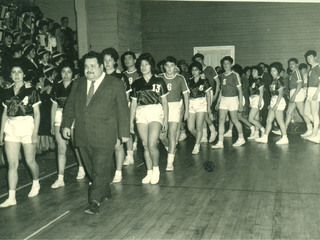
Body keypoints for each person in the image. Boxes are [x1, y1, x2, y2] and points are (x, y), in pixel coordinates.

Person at [62, 51, 129, 215]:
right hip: (83, 134)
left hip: (105, 134)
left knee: (99, 167)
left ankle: (94, 201)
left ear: (101, 67)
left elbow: (122, 109)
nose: (89, 70)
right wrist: (66, 125)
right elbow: (70, 105)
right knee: (92, 168)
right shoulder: (77, 83)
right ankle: (104, 191)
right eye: (86, 66)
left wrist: (124, 133)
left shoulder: (114, 83)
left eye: (93, 66)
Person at [0, 60, 41, 208]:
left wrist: (35, 133)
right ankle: (12, 197)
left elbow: (37, 114)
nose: (16, 75)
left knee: (30, 161)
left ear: (24, 74)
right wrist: (1, 133)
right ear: (10, 75)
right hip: (11, 126)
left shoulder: (31, 90)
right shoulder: (6, 91)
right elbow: (4, 114)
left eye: (19, 72)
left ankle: (36, 182)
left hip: (27, 125)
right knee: (12, 164)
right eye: (13, 72)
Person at [130, 53, 168, 184]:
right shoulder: (136, 83)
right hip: (141, 112)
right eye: (141, 65)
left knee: (152, 144)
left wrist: (165, 120)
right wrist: (131, 121)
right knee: (145, 145)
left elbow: (164, 102)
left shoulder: (159, 81)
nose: (144, 67)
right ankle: (149, 171)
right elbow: (134, 104)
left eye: (146, 64)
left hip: (155, 111)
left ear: (151, 66)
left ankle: (156, 170)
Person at [50, 61, 85, 189]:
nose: (66, 74)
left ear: (73, 73)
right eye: (64, 72)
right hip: (59, 116)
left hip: (74, 117)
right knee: (61, 148)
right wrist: (52, 123)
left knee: (76, 145)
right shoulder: (56, 87)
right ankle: (60, 178)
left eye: (69, 72)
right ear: (60, 73)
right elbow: (54, 107)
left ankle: (82, 167)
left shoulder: (77, 85)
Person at [101, 47, 131, 183]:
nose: (107, 63)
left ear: (115, 62)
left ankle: (118, 172)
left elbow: (126, 100)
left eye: (110, 60)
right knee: (103, 146)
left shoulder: (121, 77)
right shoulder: (99, 77)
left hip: (116, 115)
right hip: (102, 116)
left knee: (117, 145)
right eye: (105, 60)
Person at [159, 56, 189, 170]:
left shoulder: (180, 78)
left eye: (172, 66)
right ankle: (169, 148)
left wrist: (186, 110)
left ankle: (169, 162)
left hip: (175, 106)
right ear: (164, 67)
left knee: (172, 134)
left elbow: (186, 95)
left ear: (175, 67)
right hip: (161, 107)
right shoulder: (159, 77)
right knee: (161, 136)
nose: (169, 68)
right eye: (167, 66)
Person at [212, 56, 246, 149]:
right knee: (221, 120)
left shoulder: (235, 75)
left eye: (227, 63)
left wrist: (240, 104)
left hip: (233, 99)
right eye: (224, 63)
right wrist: (218, 102)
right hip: (223, 99)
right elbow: (221, 90)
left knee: (234, 120)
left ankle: (241, 138)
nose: (225, 65)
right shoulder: (222, 75)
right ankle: (220, 141)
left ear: (231, 64)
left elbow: (240, 90)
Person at [274, 58, 310, 136]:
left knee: (302, 113)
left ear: (297, 64)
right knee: (288, 112)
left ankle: (310, 129)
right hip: (293, 92)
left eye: (293, 64)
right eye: (290, 64)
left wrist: (294, 96)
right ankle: (284, 129)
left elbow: (300, 85)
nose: (291, 65)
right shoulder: (293, 73)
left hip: (297, 93)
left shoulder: (297, 72)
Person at [256, 62, 288, 144]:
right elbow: (272, 94)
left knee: (280, 120)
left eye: (274, 70)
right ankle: (265, 137)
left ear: (278, 71)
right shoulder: (273, 80)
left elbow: (280, 93)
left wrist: (276, 105)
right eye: (271, 71)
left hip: (279, 101)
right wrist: (271, 104)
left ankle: (285, 138)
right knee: (268, 120)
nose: (272, 72)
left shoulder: (280, 80)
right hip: (273, 101)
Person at [192, 53, 219, 142]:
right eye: (196, 61)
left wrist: (215, 94)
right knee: (202, 114)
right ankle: (204, 134)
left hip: (209, 92)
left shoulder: (209, 68)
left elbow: (217, 82)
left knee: (206, 113)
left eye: (199, 60)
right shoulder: (196, 71)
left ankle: (212, 131)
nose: (198, 62)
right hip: (198, 94)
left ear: (203, 60)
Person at [187, 61, 211, 154]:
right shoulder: (189, 81)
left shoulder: (204, 81)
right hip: (191, 103)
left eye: (196, 70)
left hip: (201, 103)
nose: (194, 72)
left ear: (200, 70)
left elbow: (208, 95)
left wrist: (209, 108)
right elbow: (187, 94)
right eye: (192, 70)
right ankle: (199, 138)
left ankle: (197, 145)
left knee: (199, 126)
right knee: (190, 127)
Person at [121, 51, 140, 166]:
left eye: (130, 58)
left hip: (140, 103)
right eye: (125, 59)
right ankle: (130, 153)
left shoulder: (140, 73)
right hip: (127, 103)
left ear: (134, 60)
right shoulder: (122, 75)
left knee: (137, 125)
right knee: (128, 126)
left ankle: (136, 141)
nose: (127, 60)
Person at [303, 50, 320, 143]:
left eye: (310, 57)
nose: (308, 59)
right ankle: (317, 128)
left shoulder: (318, 67)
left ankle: (315, 133)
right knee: (306, 112)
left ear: (315, 57)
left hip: (316, 91)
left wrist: (317, 93)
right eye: (307, 58)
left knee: (314, 113)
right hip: (309, 92)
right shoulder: (311, 68)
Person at [247, 65, 265, 139]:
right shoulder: (253, 80)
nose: (253, 72)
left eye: (255, 71)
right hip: (253, 100)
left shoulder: (259, 80)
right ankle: (257, 134)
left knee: (250, 118)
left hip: (257, 100)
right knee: (256, 118)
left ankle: (263, 130)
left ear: (259, 72)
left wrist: (259, 102)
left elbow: (261, 92)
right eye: (252, 71)